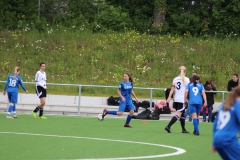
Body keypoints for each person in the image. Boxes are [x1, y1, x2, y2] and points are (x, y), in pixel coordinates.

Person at [212, 86, 240, 159]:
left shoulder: (225, 105)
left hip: (217, 139)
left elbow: (215, 124)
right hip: (228, 139)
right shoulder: (237, 104)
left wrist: (214, 142)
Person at [165, 66, 190, 133]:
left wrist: (169, 97)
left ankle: (183, 129)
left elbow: (172, 89)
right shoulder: (187, 79)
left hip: (176, 99)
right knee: (178, 114)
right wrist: (186, 100)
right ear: (185, 71)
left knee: (183, 114)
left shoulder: (175, 79)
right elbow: (186, 91)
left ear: (179, 71)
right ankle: (168, 126)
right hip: (182, 100)